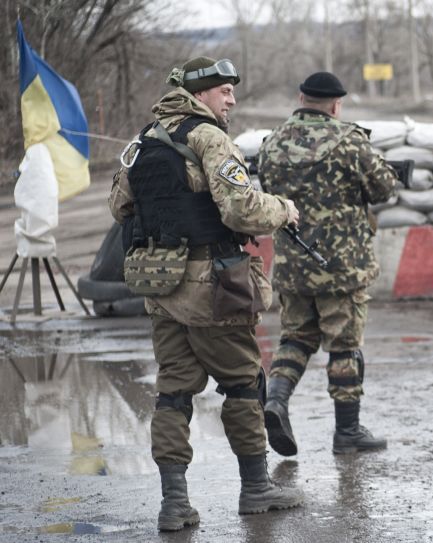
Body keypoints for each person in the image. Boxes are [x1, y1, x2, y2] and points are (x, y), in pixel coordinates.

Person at [108, 56, 305, 532]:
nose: (231, 100)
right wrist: (283, 209)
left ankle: (174, 504)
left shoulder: (141, 142)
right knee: (241, 384)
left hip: (161, 286)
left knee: (174, 392)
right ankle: (256, 489)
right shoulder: (208, 137)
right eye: (223, 92)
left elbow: (120, 207)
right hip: (214, 284)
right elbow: (241, 210)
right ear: (199, 95)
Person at [257, 71, 398, 458]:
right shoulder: (350, 141)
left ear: (302, 98)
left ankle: (276, 401)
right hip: (341, 267)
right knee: (344, 345)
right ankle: (348, 431)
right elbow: (384, 188)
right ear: (336, 105)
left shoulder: (272, 144)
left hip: (293, 264)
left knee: (296, 338)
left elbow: (267, 194)